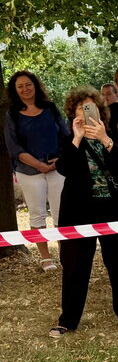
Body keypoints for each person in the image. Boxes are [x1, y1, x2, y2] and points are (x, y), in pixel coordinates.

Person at [48, 87, 118, 338]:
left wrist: (105, 140)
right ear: (72, 114)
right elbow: (64, 169)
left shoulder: (114, 137)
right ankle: (68, 320)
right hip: (78, 212)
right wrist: (76, 138)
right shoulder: (67, 141)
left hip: (113, 210)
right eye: (79, 109)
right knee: (74, 266)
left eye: (90, 108)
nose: (85, 114)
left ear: (100, 111)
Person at [4, 71, 69, 270]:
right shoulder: (12, 114)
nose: (25, 89)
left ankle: (65, 254)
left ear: (35, 85)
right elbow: (13, 147)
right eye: (20, 86)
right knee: (37, 214)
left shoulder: (50, 108)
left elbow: (65, 135)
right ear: (15, 91)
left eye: (28, 84)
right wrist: (39, 165)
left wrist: (59, 159)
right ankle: (45, 257)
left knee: (61, 214)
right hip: (28, 171)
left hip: (57, 168)